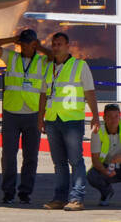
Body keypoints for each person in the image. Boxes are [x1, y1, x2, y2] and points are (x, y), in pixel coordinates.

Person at [0, 28, 51, 204]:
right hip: (11, 114)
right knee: (8, 155)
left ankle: (25, 192)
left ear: (34, 45)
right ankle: (8, 192)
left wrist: (40, 47)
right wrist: (12, 38)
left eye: (27, 44)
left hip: (33, 114)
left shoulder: (42, 61)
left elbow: (54, 57)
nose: (23, 47)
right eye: (21, 43)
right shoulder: (12, 57)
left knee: (31, 156)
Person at [39, 31, 99, 211]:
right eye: (54, 44)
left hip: (72, 120)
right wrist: (40, 117)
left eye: (59, 44)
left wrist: (95, 115)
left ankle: (77, 198)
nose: (56, 48)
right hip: (52, 120)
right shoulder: (49, 67)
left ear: (67, 46)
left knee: (75, 160)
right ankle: (59, 198)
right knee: (58, 162)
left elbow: (89, 92)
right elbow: (43, 94)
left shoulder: (80, 66)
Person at [88, 103, 121, 205]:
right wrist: (105, 171)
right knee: (92, 176)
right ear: (104, 118)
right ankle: (107, 193)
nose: (113, 120)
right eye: (109, 117)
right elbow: (95, 160)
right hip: (106, 166)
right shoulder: (97, 132)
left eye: (116, 116)